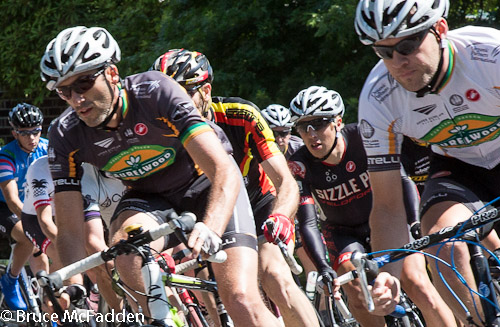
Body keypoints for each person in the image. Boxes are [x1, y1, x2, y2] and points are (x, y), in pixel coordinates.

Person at [40, 26, 283, 327]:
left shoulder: (155, 91)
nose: (76, 99)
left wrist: (212, 228)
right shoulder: (65, 133)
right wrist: (73, 286)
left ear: (112, 74)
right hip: (150, 196)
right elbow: (70, 228)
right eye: (64, 91)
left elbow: (222, 169)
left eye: (84, 83)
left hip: (208, 182)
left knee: (240, 299)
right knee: (126, 254)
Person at [354, 0, 500, 323]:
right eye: (383, 52)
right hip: (461, 168)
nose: (397, 62)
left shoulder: (489, 56)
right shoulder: (378, 98)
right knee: (442, 244)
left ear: (440, 30)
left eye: (407, 45)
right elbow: (389, 205)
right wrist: (387, 272)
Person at [152, 49, 319, 327]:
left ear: (205, 91)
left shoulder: (240, 115)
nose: (173, 104)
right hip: (204, 214)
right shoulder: (159, 131)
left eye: (184, 94)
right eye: (166, 96)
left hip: (257, 205)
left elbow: (285, 182)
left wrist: (281, 216)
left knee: (275, 276)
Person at [287, 85, 456, 327]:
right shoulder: (299, 164)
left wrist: (414, 222)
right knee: (356, 292)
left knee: (416, 281)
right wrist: (323, 267)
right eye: (304, 126)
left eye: (320, 123)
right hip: (344, 232)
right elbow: (308, 221)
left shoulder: (364, 138)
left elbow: (402, 179)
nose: (312, 133)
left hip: (387, 220)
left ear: (337, 122)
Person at [0, 103, 48, 311]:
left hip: (36, 206)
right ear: (14, 133)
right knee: (30, 237)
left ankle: (49, 305)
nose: (32, 138)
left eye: (36, 131)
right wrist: (34, 224)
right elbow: (12, 200)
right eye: (25, 133)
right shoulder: (5, 156)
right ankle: (10, 279)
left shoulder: (48, 148)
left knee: (46, 251)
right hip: (5, 208)